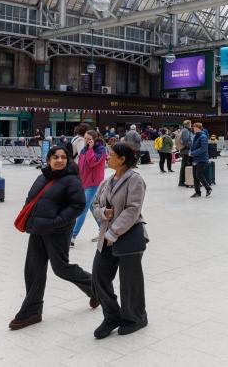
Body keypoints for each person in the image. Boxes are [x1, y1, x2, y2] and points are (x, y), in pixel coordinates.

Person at [9, 146, 98, 330]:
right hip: (37, 229)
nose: (59, 160)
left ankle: (97, 289)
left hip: (57, 231)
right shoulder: (42, 177)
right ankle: (32, 311)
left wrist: (56, 222)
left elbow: (78, 205)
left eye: (63, 157)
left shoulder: (71, 180)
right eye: (55, 157)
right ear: (49, 159)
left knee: (61, 268)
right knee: (33, 270)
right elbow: (31, 198)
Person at [90, 142, 148, 339]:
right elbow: (96, 203)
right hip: (106, 235)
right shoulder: (107, 181)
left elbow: (133, 209)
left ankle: (136, 317)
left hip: (128, 235)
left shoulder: (135, 180)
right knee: (99, 276)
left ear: (122, 159)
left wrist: (113, 233)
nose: (107, 157)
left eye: (111, 155)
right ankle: (112, 316)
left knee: (130, 281)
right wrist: (102, 212)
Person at [71, 130, 107, 247]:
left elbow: (92, 163)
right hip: (84, 183)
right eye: (85, 138)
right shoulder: (83, 150)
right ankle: (104, 231)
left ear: (94, 139)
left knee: (83, 208)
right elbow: (81, 166)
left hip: (94, 183)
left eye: (88, 139)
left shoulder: (101, 150)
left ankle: (72, 236)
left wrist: (91, 149)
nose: (86, 141)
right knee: (92, 207)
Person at [188, 122, 211, 198]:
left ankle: (208, 188)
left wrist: (193, 153)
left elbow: (203, 148)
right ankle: (198, 192)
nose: (193, 129)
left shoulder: (203, 136)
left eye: (194, 128)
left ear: (198, 128)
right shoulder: (195, 136)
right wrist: (190, 152)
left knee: (198, 174)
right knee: (195, 176)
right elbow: (193, 146)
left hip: (202, 159)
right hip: (195, 159)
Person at [177, 120, 194, 187]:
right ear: (188, 124)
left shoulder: (186, 130)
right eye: (190, 123)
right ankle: (181, 182)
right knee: (184, 167)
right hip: (186, 151)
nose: (191, 125)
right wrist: (191, 146)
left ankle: (185, 180)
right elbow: (186, 141)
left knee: (185, 166)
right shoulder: (185, 131)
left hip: (186, 151)